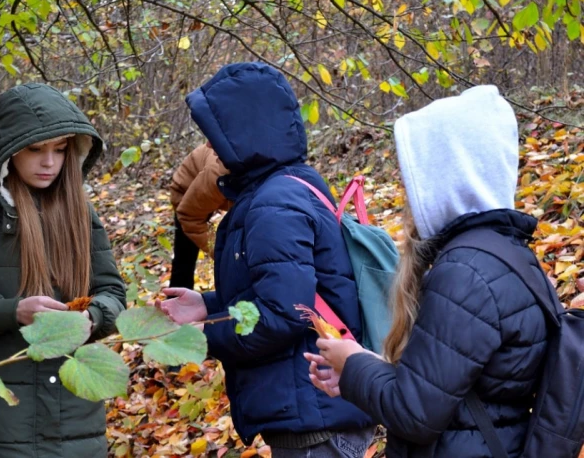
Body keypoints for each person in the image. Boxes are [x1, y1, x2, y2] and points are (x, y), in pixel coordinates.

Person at [306, 86, 550, 457]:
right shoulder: (505, 255)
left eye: (416, 175)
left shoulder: (465, 273)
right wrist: (362, 371)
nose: (408, 193)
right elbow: (452, 389)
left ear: (449, 173)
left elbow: (416, 413)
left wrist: (352, 363)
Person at [157, 62, 375, 457]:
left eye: (214, 137)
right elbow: (283, 290)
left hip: (314, 418)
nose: (209, 148)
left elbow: (284, 313)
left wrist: (201, 337)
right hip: (313, 411)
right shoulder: (287, 187)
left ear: (242, 132)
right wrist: (206, 306)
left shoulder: (274, 203)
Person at [0, 83, 126, 458]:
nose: (49, 162)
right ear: (9, 150)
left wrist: (92, 318)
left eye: (60, 150)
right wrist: (12, 311)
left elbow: (113, 294)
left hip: (75, 428)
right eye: (35, 149)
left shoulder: (82, 214)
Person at [169, 142, 230, 289]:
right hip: (186, 193)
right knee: (185, 258)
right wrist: (221, 252)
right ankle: (174, 304)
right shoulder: (219, 172)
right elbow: (189, 217)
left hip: (214, 190)